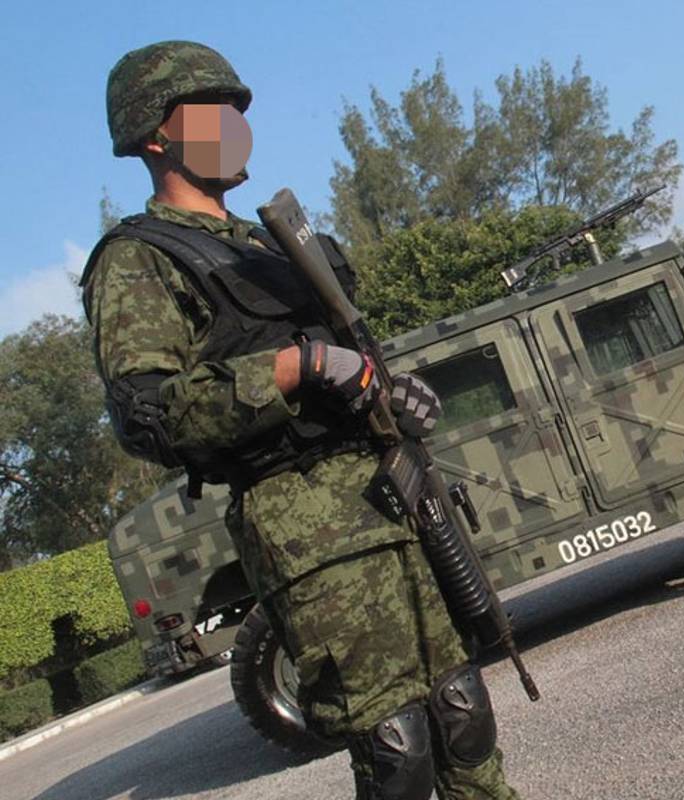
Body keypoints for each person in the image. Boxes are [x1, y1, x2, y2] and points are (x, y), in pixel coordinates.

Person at [82, 41, 522, 800]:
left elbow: (353, 361)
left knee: (462, 711)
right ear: (155, 134)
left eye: (235, 113)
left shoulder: (269, 243)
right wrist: (293, 368)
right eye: (211, 113)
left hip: (394, 493)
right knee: (398, 749)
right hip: (306, 525)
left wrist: (394, 393)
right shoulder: (138, 259)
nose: (233, 128)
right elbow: (148, 417)